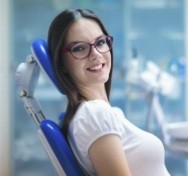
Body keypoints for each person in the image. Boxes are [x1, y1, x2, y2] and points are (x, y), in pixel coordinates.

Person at [47, 8, 170, 176]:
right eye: (79, 48)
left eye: (100, 42)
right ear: (61, 63)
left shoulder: (102, 113)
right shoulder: (95, 114)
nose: (96, 54)